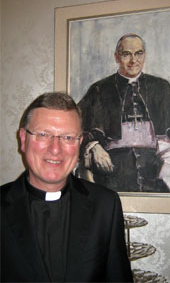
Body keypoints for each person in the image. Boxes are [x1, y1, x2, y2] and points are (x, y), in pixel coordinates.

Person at [1, 92, 133, 282]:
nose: (55, 149)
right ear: (23, 139)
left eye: (68, 137)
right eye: (44, 134)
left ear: (79, 143)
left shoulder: (106, 206)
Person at [78, 33, 170, 193]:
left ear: (145, 55)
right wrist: (94, 146)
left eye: (138, 53)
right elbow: (78, 126)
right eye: (126, 54)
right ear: (116, 57)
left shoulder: (160, 86)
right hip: (115, 156)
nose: (134, 60)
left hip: (160, 152)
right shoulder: (100, 89)